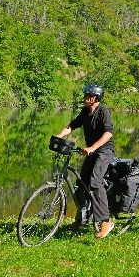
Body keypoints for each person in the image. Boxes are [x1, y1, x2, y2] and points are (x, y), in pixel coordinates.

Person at [54, 84, 116, 239]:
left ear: (93, 98)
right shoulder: (85, 112)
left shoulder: (103, 111)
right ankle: (82, 218)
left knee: (95, 182)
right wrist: (57, 137)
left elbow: (109, 133)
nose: (83, 98)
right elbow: (71, 126)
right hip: (91, 151)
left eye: (86, 95)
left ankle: (106, 221)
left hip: (104, 151)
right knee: (82, 182)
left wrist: (93, 147)